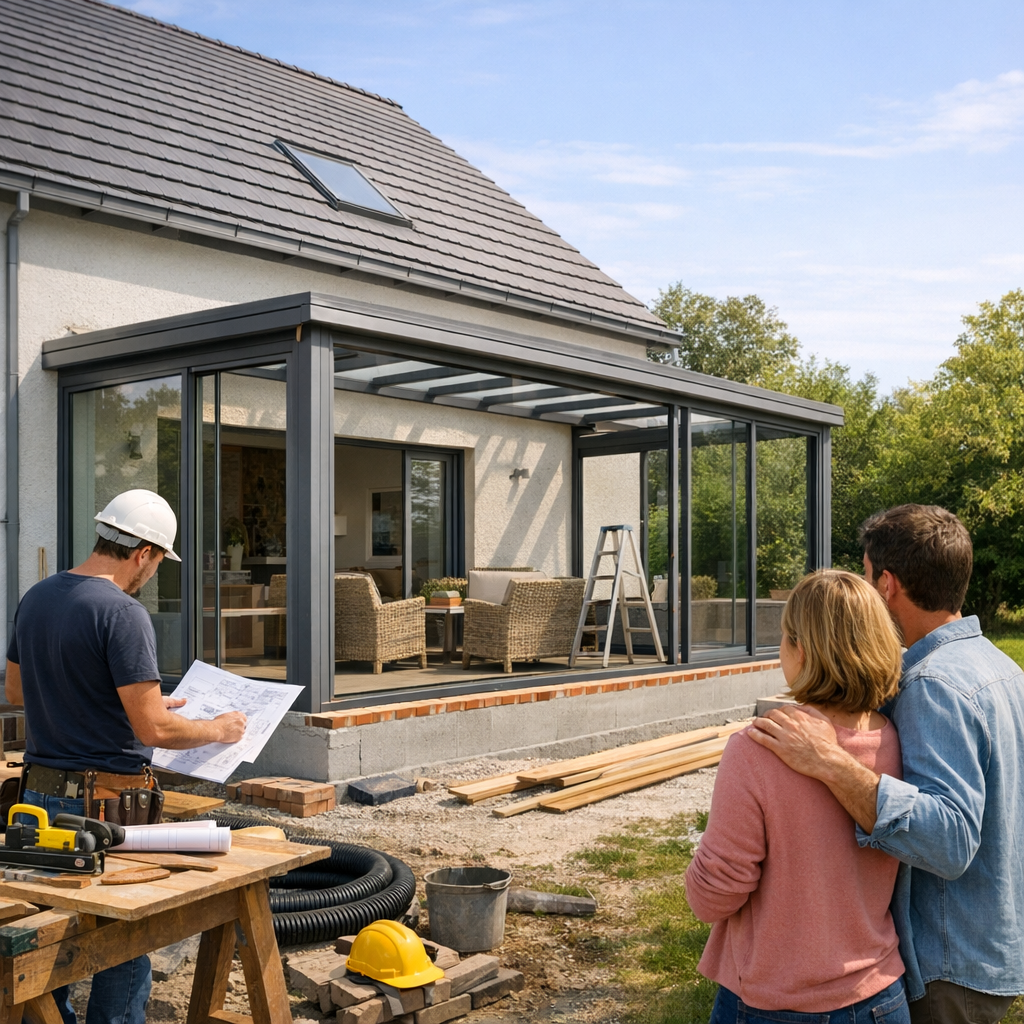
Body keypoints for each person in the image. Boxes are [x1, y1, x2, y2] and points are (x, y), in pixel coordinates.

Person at [751, 504, 1024, 1024]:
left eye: (865, 571)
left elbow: (951, 840)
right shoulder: (999, 665)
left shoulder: (933, 687)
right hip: (991, 943)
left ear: (887, 585)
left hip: (947, 965)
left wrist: (831, 762)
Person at [4, 489, 247, 1024]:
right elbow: (154, 728)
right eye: (158, 563)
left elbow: (18, 693)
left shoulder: (38, 597)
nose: (153, 574)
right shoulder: (123, 612)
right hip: (106, 807)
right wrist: (216, 728)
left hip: (39, 798)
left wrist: (130, 696)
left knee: (48, 945)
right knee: (123, 942)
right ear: (143, 552)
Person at [686, 569, 908, 1023]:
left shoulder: (757, 749)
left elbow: (713, 897)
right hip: (881, 996)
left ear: (801, 649)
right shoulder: (897, 741)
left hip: (775, 1002)